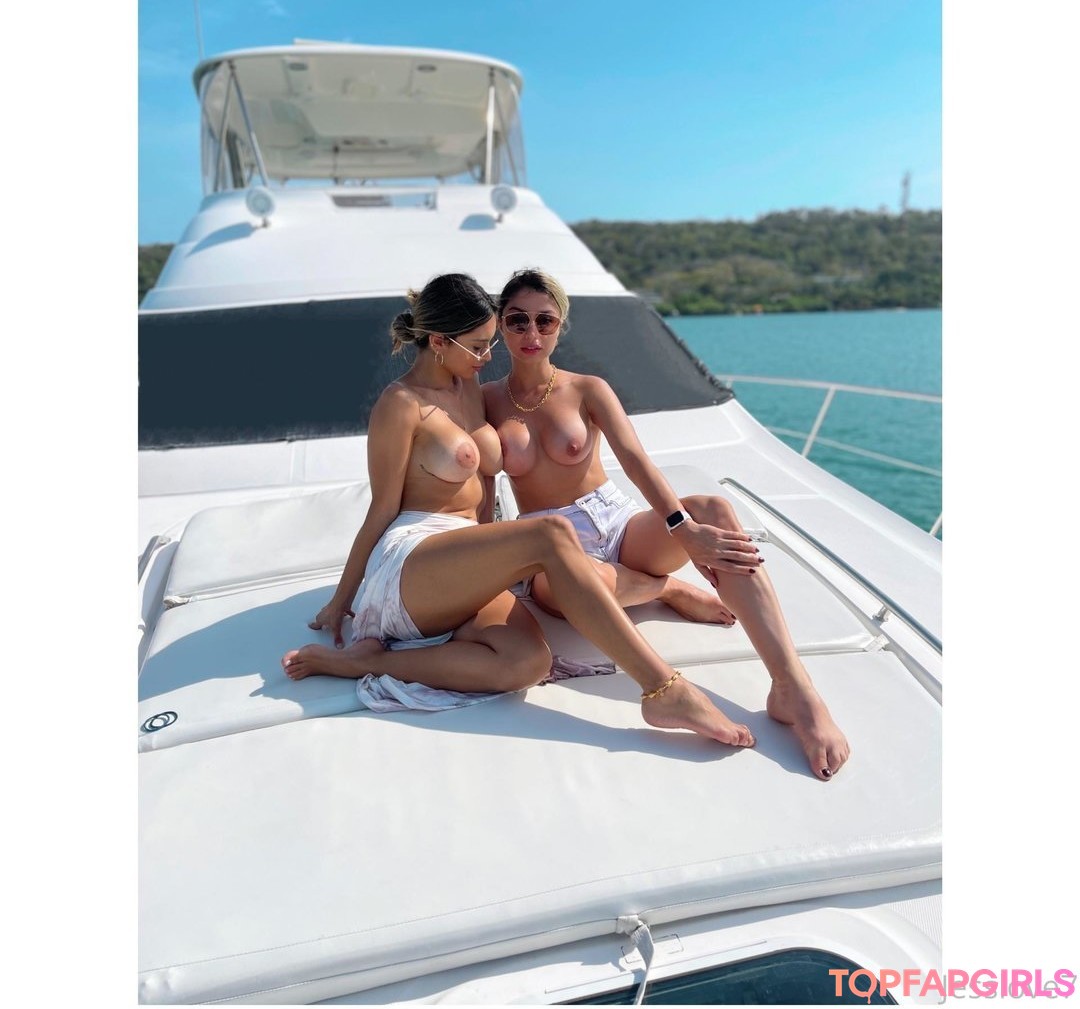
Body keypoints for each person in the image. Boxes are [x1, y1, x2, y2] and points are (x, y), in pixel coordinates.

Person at [282, 273, 756, 748]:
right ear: (438, 342)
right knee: (551, 533)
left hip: (466, 559)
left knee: (528, 663)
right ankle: (663, 689)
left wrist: (499, 555)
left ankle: (369, 662)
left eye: (490, 343)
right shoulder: (400, 404)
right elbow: (381, 508)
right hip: (415, 554)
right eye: (477, 346)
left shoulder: (471, 389)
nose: (489, 356)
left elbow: (492, 482)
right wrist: (343, 599)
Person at [482, 269, 850, 780]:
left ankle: (793, 686)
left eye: (545, 321)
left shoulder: (587, 389)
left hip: (614, 520)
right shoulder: (487, 400)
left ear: (560, 326)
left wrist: (682, 527)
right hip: (551, 547)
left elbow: (635, 460)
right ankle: (665, 588)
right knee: (581, 580)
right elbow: (480, 489)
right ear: (501, 325)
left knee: (713, 510)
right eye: (517, 320)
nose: (531, 333)